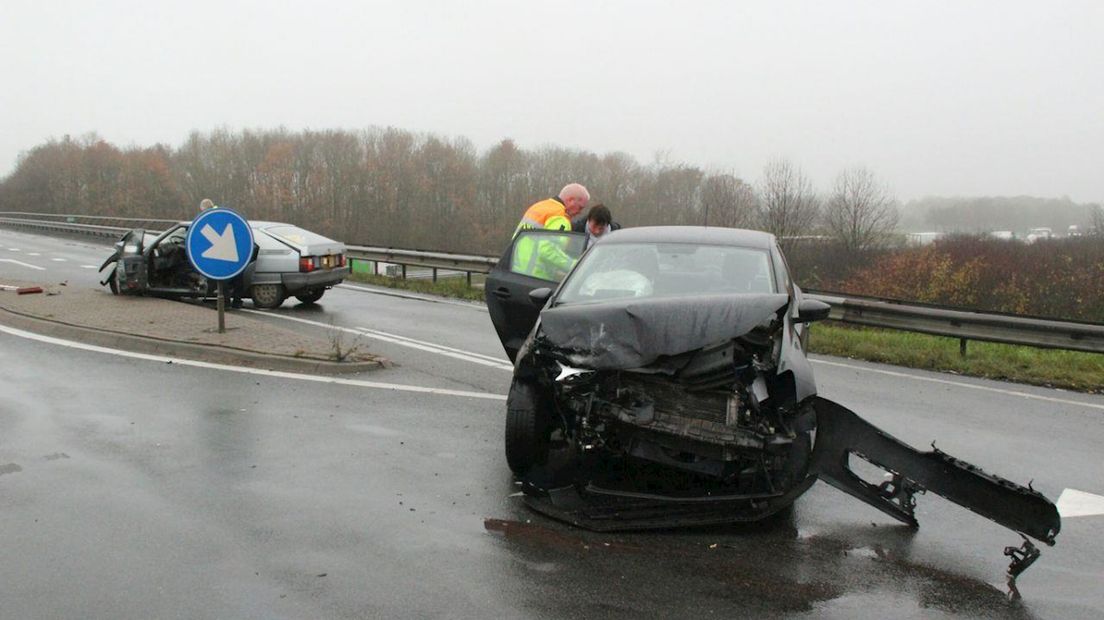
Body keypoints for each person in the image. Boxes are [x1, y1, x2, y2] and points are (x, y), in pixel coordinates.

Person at [512, 183, 589, 280]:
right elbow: (548, 250)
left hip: (515, 272)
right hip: (536, 278)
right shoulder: (560, 217)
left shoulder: (538, 207)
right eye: (580, 207)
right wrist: (574, 266)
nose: (580, 212)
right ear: (571, 200)